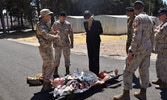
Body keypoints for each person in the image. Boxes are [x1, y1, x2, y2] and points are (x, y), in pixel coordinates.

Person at [113, 1, 154, 100]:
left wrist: (131, 52)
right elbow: (153, 36)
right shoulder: (150, 19)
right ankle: (143, 93)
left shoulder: (138, 18)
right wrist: (150, 49)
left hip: (138, 50)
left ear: (135, 9)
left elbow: (136, 37)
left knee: (127, 70)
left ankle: (126, 95)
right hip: (147, 50)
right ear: (143, 8)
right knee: (144, 71)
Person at [36, 9, 60, 91]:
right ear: (45, 16)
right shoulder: (41, 25)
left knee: (46, 64)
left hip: (47, 47)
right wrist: (56, 37)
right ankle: (46, 84)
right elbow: (45, 35)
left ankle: (45, 80)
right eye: (49, 15)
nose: (50, 16)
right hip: (45, 48)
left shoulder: (45, 24)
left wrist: (55, 33)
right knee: (50, 65)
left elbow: (49, 32)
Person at [52, 11, 74, 77]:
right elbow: (52, 33)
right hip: (58, 44)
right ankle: (55, 71)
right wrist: (53, 43)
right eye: (62, 17)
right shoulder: (55, 24)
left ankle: (67, 71)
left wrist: (72, 43)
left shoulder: (68, 24)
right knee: (57, 58)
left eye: (64, 17)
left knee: (67, 58)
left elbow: (71, 34)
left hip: (66, 44)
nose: (63, 18)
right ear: (60, 16)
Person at [83, 10, 103, 75]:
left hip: (96, 41)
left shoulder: (97, 22)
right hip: (89, 41)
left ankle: (96, 72)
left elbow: (101, 31)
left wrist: (95, 33)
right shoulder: (85, 23)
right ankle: (91, 71)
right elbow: (87, 32)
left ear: (90, 16)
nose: (87, 20)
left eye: (88, 18)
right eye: (86, 19)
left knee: (96, 56)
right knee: (90, 56)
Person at [152, 8, 167, 89]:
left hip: (165, 50)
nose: (159, 16)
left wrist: (157, 32)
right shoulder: (162, 24)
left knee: (164, 67)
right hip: (161, 50)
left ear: (165, 15)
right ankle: (160, 79)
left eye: (161, 15)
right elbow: (155, 31)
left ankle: (165, 83)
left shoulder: (166, 25)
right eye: (159, 15)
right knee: (159, 65)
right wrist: (157, 31)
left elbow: (159, 35)